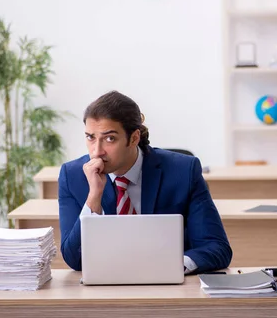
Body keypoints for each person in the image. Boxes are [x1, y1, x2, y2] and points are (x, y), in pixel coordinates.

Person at [58, 90, 233, 274]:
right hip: (104, 289)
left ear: (134, 138)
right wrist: (94, 196)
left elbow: (217, 248)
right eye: (90, 137)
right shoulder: (72, 176)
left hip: (169, 288)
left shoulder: (184, 171)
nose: (96, 151)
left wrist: (168, 267)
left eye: (109, 138)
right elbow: (74, 259)